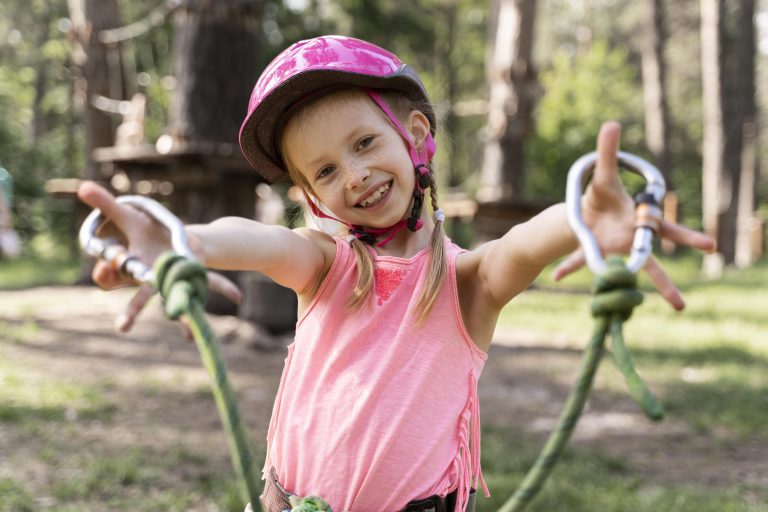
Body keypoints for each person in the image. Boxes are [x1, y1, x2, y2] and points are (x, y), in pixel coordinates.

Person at [77, 35, 715, 512]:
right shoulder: (324, 265)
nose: (353, 174)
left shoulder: (468, 284)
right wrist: (185, 241)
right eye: (325, 171)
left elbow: (520, 248)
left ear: (415, 134)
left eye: (364, 143)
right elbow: (262, 242)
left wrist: (580, 219)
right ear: (312, 196)